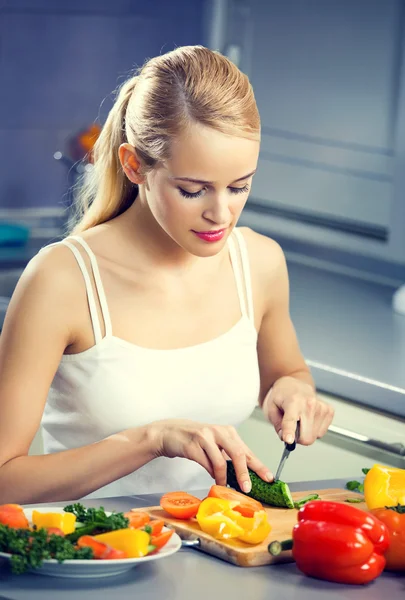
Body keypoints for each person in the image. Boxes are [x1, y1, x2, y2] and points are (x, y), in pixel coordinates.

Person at [0, 46, 334, 504]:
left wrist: (295, 392)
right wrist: (149, 440)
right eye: (193, 190)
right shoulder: (62, 280)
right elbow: (4, 477)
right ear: (135, 165)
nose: (221, 214)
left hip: (212, 553)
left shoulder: (259, 262)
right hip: (88, 558)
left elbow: (286, 373)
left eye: (240, 187)